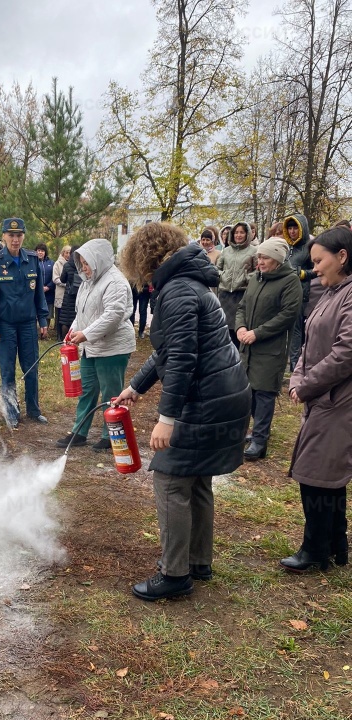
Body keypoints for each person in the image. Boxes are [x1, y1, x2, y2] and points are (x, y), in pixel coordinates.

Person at [115, 222, 251, 602]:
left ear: (144, 257)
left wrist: (167, 418)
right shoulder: (190, 283)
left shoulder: (176, 290)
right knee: (197, 479)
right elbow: (168, 350)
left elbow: (182, 359)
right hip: (227, 392)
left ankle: (175, 574)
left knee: (171, 480)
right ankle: (198, 561)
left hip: (207, 398)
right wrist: (136, 386)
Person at [281, 226, 352, 572]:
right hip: (322, 400)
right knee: (324, 475)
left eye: (319, 261)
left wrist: (306, 385)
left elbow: (345, 353)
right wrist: (298, 377)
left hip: (339, 402)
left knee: (317, 477)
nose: (314, 268)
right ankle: (336, 544)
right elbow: (308, 345)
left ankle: (316, 551)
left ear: (342, 257)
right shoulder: (331, 291)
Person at [55, 239, 135, 451]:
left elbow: (113, 315)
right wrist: (73, 330)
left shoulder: (115, 282)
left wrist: (86, 334)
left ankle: (111, 435)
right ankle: (79, 431)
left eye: (87, 262)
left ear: (97, 259)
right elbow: (82, 312)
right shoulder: (88, 281)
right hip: (90, 346)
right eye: (81, 262)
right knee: (87, 390)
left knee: (111, 393)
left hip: (112, 348)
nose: (84, 267)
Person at [235, 238, 303, 460]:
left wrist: (258, 332)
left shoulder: (290, 282)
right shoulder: (256, 278)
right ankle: (252, 432)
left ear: (277, 260)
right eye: (259, 257)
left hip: (270, 349)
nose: (259, 261)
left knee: (263, 394)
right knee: (247, 393)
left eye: (264, 258)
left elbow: (288, 315)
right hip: (248, 348)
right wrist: (241, 327)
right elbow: (242, 306)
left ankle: (260, 441)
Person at [0, 218, 49, 428]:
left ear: (23, 237)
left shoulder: (32, 260)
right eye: (11, 235)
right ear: (4, 236)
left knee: (31, 368)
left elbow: (39, 293)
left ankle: (33, 410)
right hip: (6, 326)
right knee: (8, 371)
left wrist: (43, 318)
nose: (15, 239)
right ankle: (11, 412)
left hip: (28, 324)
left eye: (19, 235)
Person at [283, 213, 316, 371]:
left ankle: (295, 367)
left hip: (300, 293)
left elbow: (316, 269)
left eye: (295, 227)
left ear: (302, 228)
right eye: (289, 227)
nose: (292, 231)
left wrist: (303, 274)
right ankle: (283, 364)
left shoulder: (310, 247)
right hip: (283, 292)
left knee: (296, 331)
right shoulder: (287, 248)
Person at [216, 222, 257, 346]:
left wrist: (245, 277)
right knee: (224, 328)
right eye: (236, 232)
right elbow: (217, 268)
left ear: (247, 234)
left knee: (239, 328)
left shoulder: (254, 251)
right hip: (225, 294)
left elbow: (257, 271)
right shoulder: (226, 251)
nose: (239, 235)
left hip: (242, 293)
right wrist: (224, 276)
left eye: (242, 232)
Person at [58, 245, 81, 340]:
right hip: (79, 294)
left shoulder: (67, 265)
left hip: (68, 295)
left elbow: (62, 280)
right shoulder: (81, 265)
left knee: (65, 320)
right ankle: (75, 339)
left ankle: (64, 340)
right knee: (75, 318)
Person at [53, 245, 71, 340]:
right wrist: (66, 284)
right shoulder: (57, 264)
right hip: (60, 293)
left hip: (69, 294)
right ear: (63, 253)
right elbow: (55, 278)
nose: (68, 255)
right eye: (66, 253)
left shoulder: (72, 264)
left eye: (69, 253)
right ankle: (59, 335)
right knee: (59, 315)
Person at [35, 242, 55, 328]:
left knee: (48, 312)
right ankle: (37, 330)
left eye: (42, 251)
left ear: (45, 252)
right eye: (38, 250)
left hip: (49, 292)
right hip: (36, 292)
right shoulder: (32, 262)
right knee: (36, 310)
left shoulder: (51, 263)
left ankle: (45, 331)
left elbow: (55, 277)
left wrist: (48, 287)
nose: (40, 252)